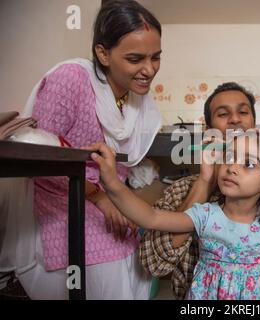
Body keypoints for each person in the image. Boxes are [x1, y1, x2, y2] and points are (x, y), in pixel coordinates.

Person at [15, 0, 163, 299]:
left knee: (140, 250)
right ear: (103, 53)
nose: (149, 70)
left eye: (156, 57)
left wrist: (117, 198)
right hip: (60, 197)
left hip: (109, 197)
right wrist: (99, 196)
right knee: (110, 264)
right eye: (135, 58)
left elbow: (124, 164)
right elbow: (42, 158)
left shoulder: (135, 97)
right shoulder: (70, 80)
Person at [140, 82, 260, 299]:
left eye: (243, 112)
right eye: (223, 113)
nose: (235, 119)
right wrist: (204, 181)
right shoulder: (183, 189)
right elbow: (156, 264)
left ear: (253, 123)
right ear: (208, 130)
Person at [87, 130, 260, 300]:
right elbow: (150, 217)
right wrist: (112, 184)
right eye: (228, 157)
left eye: (249, 164)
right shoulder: (205, 215)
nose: (232, 168)